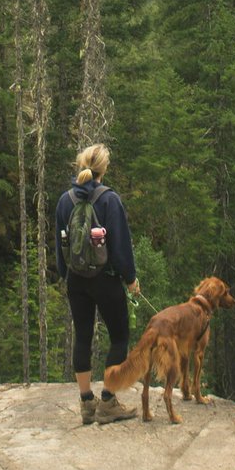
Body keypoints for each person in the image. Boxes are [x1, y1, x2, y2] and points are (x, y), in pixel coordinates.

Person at [55, 143, 141, 424]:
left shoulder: (65, 200)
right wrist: (130, 279)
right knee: (118, 337)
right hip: (105, 280)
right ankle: (108, 401)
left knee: (82, 336)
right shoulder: (109, 200)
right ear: (104, 169)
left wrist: (63, 274)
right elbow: (120, 246)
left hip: (76, 280)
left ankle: (86, 403)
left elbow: (60, 244)